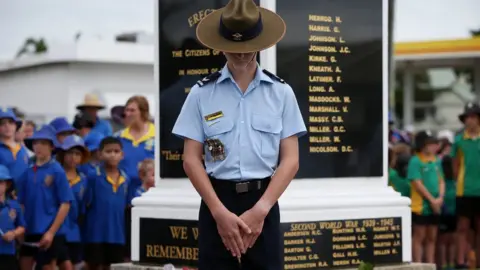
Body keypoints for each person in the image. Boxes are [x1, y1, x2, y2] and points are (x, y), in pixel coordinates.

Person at [172, 0, 306, 268]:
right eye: (235, 49)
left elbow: (290, 160)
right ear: (220, 45)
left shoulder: (281, 93)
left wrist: (262, 209)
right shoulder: (201, 93)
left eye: (248, 48)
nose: (242, 55)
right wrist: (218, 212)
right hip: (216, 200)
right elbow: (190, 159)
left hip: (263, 200)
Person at [17, 125, 73, 270]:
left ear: (51, 147)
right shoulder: (27, 170)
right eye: (35, 143)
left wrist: (51, 232)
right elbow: (20, 203)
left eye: (43, 143)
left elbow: (65, 203)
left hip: (50, 230)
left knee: (47, 267)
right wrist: (20, 227)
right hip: (29, 229)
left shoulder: (57, 170)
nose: (38, 147)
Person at [83, 137, 129, 269]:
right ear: (100, 154)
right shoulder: (93, 176)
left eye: (116, 151)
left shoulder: (126, 179)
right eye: (109, 151)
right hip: (95, 234)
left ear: (122, 154)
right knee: (92, 265)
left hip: (117, 235)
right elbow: (85, 204)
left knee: (112, 266)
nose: (113, 155)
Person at [408, 130, 445, 264]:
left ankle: (430, 263)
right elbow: (417, 183)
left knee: (432, 237)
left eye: (434, 143)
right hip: (421, 206)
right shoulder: (415, 161)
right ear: (422, 145)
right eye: (430, 143)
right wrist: (432, 201)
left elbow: (441, 180)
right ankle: (417, 263)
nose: (434, 146)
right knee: (419, 236)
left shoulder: (436, 161)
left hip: (435, 204)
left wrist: (440, 197)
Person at [451, 102, 480, 269]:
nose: (470, 121)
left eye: (473, 117)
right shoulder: (459, 141)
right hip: (465, 190)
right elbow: (455, 165)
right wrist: (461, 181)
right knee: (462, 227)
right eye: (467, 117)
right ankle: (460, 261)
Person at [55, 135, 89, 270]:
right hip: (55, 230)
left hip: (74, 231)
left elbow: (83, 208)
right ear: (63, 154)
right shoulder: (55, 175)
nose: (73, 157)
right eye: (69, 152)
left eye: (77, 154)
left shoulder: (84, 180)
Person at [117, 96, 154, 193]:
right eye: (126, 110)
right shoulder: (119, 137)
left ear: (143, 112)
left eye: (132, 110)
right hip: (124, 194)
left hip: (149, 193)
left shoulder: (157, 136)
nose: (127, 114)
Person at [436, 130, 456, 270]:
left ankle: (443, 265)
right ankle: (450, 264)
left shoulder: (441, 181)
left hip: (445, 209)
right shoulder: (455, 183)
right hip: (452, 208)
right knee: (451, 239)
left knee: (443, 240)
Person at [0, 164, 26, 270]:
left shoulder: (14, 205)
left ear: (8, 184)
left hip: (8, 253)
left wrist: (13, 233)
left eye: (0, 182)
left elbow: (22, 226)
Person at [0, 108, 30, 186]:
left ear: (16, 126)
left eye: (11, 122)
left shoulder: (23, 150)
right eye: (2, 123)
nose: (7, 126)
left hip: (23, 195)